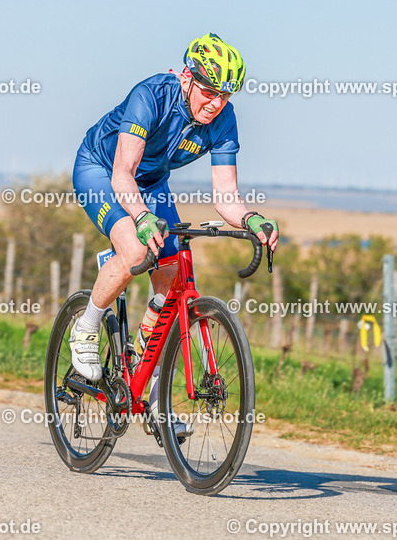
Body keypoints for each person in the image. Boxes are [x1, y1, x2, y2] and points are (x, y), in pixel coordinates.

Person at [68, 32, 279, 410]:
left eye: (225, 96)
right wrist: (141, 217)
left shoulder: (224, 119)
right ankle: (85, 328)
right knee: (134, 247)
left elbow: (225, 197)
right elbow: (122, 174)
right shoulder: (150, 97)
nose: (216, 104)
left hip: (150, 184)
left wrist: (252, 219)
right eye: (210, 91)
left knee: (171, 273)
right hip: (102, 170)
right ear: (187, 78)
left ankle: (149, 384)